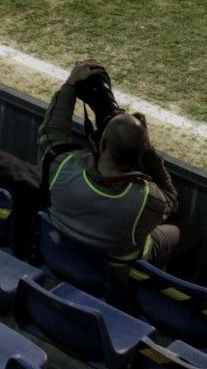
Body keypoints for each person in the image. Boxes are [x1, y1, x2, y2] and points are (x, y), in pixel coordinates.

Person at [38, 60, 182, 279]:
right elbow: (171, 199)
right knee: (183, 233)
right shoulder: (145, 199)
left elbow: (51, 132)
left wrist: (69, 86)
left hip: (59, 253)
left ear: (102, 143)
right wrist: (148, 151)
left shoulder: (62, 168)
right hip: (111, 273)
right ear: (138, 154)